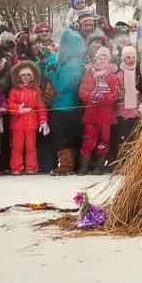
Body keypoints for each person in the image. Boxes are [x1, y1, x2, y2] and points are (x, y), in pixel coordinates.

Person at [48, 9, 92, 175]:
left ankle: (67, 165)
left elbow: (62, 86)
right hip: (65, 106)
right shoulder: (70, 62)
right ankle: (69, 164)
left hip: (65, 107)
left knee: (63, 136)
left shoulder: (73, 64)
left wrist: (52, 72)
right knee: (65, 136)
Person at [77, 46, 122, 175]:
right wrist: (91, 97)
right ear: (95, 59)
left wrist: (103, 99)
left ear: (108, 61)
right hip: (91, 114)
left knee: (104, 140)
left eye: (105, 58)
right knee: (88, 139)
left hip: (105, 115)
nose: (102, 61)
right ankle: (85, 166)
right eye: (100, 58)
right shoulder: (89, 74)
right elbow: (82, 91)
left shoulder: (112, 76)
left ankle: (99, 166)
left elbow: (115, 93)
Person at [7, 60, 49, 175]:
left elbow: (40, 106)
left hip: (31, 122)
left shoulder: (36, 90)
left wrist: (43, 121)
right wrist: (17, 109)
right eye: (23, 75)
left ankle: (31, 167)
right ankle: (16, 167)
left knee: (31, 146)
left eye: (28, 75)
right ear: (19, 77)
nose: (25, 77)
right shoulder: (14, 90)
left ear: (32, 77)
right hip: (17, 123)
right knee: (17, 146)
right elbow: (10, 104)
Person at [112, 45, 142, 164]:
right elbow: (116, 92)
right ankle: (123, 162)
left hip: (137, 112)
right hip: (123, 111)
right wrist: (119, 93)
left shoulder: (139, 74)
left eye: (133, 57)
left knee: (135, 138)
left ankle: (134, 162)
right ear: (123, 59)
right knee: (124, 138)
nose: (131, 60)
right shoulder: (119, 75)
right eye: (128, 57)